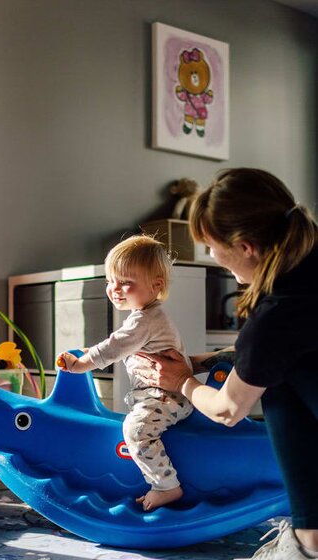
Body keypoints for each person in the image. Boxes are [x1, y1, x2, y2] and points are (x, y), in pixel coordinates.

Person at [135, 168, 318, 559]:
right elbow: (298, 352)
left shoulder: (275, 315)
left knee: (278, 389)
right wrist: (206, 362)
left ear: (246, 246)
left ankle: (309, 538)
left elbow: (227, 410)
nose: (212, 257)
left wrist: (182, 380)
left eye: (211, 246)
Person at [56, 235, 194, 511]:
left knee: (136, 430)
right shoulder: (143, 318)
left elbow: (112, 348)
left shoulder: (145, 320)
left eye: (125, 283)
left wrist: (80, 364)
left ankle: (166, 486)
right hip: (157, 395)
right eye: (110, 281)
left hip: (165, 397)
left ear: (157, 285)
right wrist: (86, 353)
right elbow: (117, 346)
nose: (114, 289)